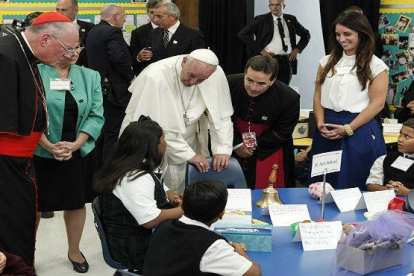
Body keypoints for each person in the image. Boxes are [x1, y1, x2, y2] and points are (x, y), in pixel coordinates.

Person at [0, 12, 79, 267]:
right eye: (68, 48)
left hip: (20, 160)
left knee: (21, 222)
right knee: (11, 226)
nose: (70, 55)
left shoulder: (24, 52)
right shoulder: (5, 53)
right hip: (6, 163)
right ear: (45, 39)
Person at [33, 36, 104, 273]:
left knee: (75, 202)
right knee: (34, 205)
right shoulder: (35, 72)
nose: (73, 53)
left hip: (77, 150)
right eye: (68, 48)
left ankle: (74, 250)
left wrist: (75, 144)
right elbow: (30, 114)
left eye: (77, 48)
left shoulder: (89, 75)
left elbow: (96, 115)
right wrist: (48, 146)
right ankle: (27, 253)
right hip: (40, 151)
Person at [121, 49, 233, 194]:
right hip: (152, 144)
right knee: (154, 191)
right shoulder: (155, 75)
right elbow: (153, 128)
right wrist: (187, 154)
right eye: (191, 75)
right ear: (184, 61)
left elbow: (222, 114)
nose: (193, 82)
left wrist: (223, 148)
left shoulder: (215, 73)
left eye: (201, 80)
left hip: (190, 139)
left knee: (184, 190)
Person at [309, 12, 389, 190]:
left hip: (359, 129)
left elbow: (377, 104)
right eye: (338, 34)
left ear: (361, 34)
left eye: (347, 34)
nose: (341, 39)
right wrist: (320, 123)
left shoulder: (376, 66)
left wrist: (348, 128)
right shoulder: (326, 62)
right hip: (327, 131)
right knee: (322, 185)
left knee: (355, 185)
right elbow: (317, 96)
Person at [93, 118, 183, 273]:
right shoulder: (135, 177)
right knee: (195, 252)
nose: (165, 143)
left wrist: (167, 193)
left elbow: (155, 182)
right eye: (163, 139)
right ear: (153, 146)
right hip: (135, 248)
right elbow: (150, 220)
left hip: (130, 236)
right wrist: (185, 209)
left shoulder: (126, 163)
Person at [142, 179, 261, 276]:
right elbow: (254, 273)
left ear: (182, 205)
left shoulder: (164, 225)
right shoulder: (213, 246)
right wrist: (241, 253)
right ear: (221, 213)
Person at [227, 55, 299, 189]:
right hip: (231, 142)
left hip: (269, 147)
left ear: (272, 81)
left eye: (261, 83)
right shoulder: (229, 83)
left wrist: (249, 146)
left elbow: (282, 132)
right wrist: (236, 143)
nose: (253, 88)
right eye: (249, 80)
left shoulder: (289, 97)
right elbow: (221, 118)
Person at [87, 4, 135, 159]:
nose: (125, 19)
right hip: (114, 91)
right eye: (124, 16)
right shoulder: (113, 31)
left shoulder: (93, 31)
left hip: (98, 88)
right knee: (113, 133)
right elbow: (118, 57)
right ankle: (110, 172)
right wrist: (131, 76)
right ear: (116, 17)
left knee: (101, 132)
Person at [237, 0, 310, 85]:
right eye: (272, 5)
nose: (275, 7)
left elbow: (306, 34)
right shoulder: (261, 19)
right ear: (269, 6)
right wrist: (260, 49)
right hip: (268, 60)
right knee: (265, 87)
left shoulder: (291, 19)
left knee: (283, 89)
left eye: (278, 5)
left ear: (284, 6)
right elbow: (242, 34)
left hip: (285, 61)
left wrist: (297, 49)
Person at [134, 2, 205, 73]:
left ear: (173, 17)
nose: (155, 20)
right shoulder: (154, 33)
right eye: (155, 16)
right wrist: (140, 58)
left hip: (180, 79)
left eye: (159, 16)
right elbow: (150, 59)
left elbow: (198, 62)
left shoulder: (193, 34)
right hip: (158, 79)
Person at [366, 119, 414, 196]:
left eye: (407, 137)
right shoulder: (385, 159)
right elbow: (371, 185)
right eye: (400, 134)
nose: (400, 139)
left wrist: (407, 192)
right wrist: (389, 190)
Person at [56, 0, 95, 67]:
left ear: (75, 11)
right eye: (57, 10)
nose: (59, 13)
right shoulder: (50, 28)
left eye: (64, 10)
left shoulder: (91, 28)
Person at [130, 0, 162, 75]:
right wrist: (138, 58)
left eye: (158, 13)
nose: (155, 15)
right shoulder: (138, 32)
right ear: (147, 13)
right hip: (146, 74)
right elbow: (131, 58)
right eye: (152, 12)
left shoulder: (171, 29)